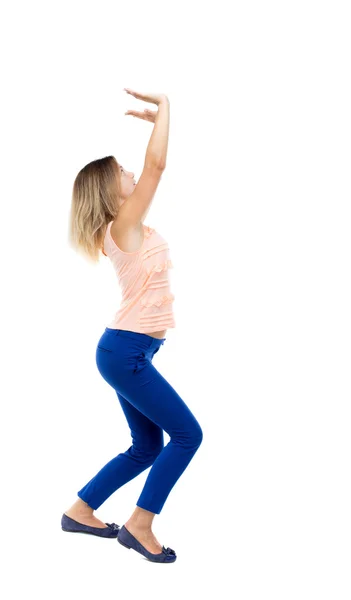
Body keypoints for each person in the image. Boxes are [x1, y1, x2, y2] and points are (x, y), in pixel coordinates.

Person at [61, 89, 203, 563]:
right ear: (109, 190)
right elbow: (157, 166)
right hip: (125, 352)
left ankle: (81, 510)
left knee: (147, 445)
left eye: (127, 167)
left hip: (127, 352)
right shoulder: (122, 225)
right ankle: (141, 524)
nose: (131, 172)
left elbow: (149, 171)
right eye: (121, 170)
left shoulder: (125, 227)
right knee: (188, 436)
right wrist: (164, 108)